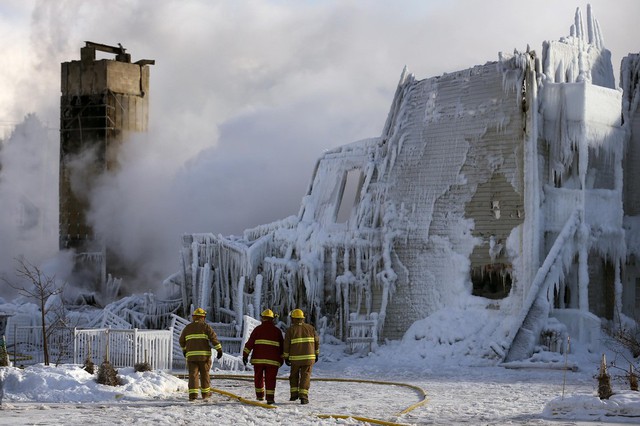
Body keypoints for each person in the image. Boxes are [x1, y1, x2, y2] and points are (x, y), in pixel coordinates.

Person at [179, 307, 223, 401]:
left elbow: (181, 341)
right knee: (205, 375)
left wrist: (184, 350)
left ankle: (193, 396)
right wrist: (219, 350)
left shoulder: (187, 328)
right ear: (203, 317)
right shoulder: (206, 327)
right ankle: (205, 395)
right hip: (204, 357)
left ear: (194, 317)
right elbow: (213, 339)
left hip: (191, 357)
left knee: (193, 375)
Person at [242, 309, 284, 404]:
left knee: (258, 378)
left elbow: (250, 343)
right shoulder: (277, 331)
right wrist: (282, 359)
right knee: (271, 379)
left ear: (262, 318)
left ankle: (260, 396)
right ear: (272, 319)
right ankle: (270, 398)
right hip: (273, 361)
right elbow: (282, 346)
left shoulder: (257, 329)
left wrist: (245, 355)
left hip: (258, 360)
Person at [283, 308, 319, 405]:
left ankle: (294, 395)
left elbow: (286, 345)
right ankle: (304, 397)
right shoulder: (311, 328)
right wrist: (316, 354)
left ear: (293, 318)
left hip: (295, 359)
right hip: (309, 358)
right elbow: (316, 341)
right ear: (302, 318)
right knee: (305, 376)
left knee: (294, 376)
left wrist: (286, 357)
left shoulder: (290, 330)